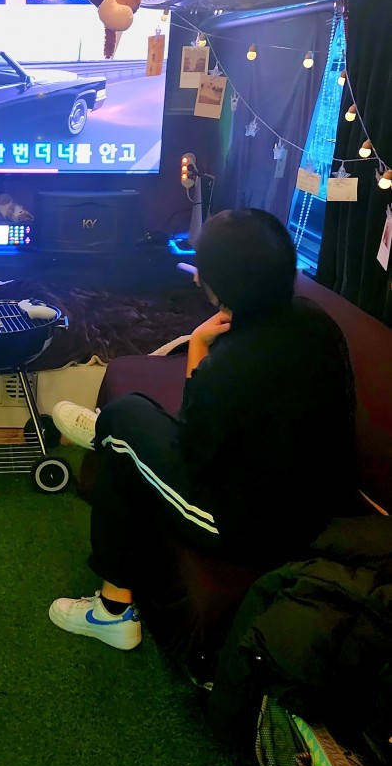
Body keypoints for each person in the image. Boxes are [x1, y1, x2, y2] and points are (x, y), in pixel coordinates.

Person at [47, 208, 357, 650]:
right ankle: (105, 434)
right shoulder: (315, 321)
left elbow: (191, 448)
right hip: (311, 508)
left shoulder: (229, 367)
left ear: (213, 283)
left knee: (121, 433)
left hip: (245, 527)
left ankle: (112, 612)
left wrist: (196, 348)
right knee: (128, 418)